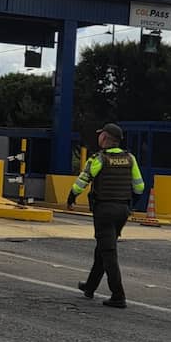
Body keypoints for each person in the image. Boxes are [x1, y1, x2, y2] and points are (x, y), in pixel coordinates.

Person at [67, 123, 144, 308]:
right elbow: (139, 187)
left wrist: (71, 197)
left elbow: (83, 180)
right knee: (103, 247)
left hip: (104, 210)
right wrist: (129, 204)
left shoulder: (99, 159)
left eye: (100, 135)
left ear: (104, 138)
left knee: (108, 252)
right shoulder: (130, 159)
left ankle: (118, 295)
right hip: (122, 210)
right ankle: (90, 286)